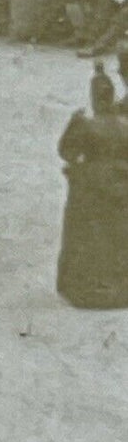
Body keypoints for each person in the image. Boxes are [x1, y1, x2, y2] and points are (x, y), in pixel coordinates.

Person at [56, 65, 128, 308]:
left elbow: (67, 151)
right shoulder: (125, 123)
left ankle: (88, 286)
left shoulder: (87, 124)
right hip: (122, 184)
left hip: (93, 185)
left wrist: (72, 122)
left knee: (89, 235)